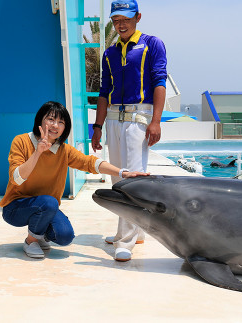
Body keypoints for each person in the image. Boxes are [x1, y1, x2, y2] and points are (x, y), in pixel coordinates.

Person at [0, 101, 149, 259]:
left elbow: (91, 163)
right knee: (49, 202)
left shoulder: (63, 150)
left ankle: (39, 235)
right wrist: (38, 153)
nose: (55, 125)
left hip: (45, 206)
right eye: (51, 119)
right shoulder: (21, 141)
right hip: (16, 208)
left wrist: (122, 172)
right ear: (40, 121)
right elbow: (17, 178)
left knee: (65, 236)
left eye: (61, 122)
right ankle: (31, 241)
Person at [91, 0, 167, 262]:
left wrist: (156, 121)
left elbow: (159, 82)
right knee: (117, 177)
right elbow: (104, 92)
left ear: (137, 17)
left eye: (125, 18)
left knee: (133, 178)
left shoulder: (152, 44)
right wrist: (97, 126)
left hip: (138, 118)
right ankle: (134, 230)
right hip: (113, 119)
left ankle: (126, 241)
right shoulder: (109, 52)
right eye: (116, 19)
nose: (120, 24)